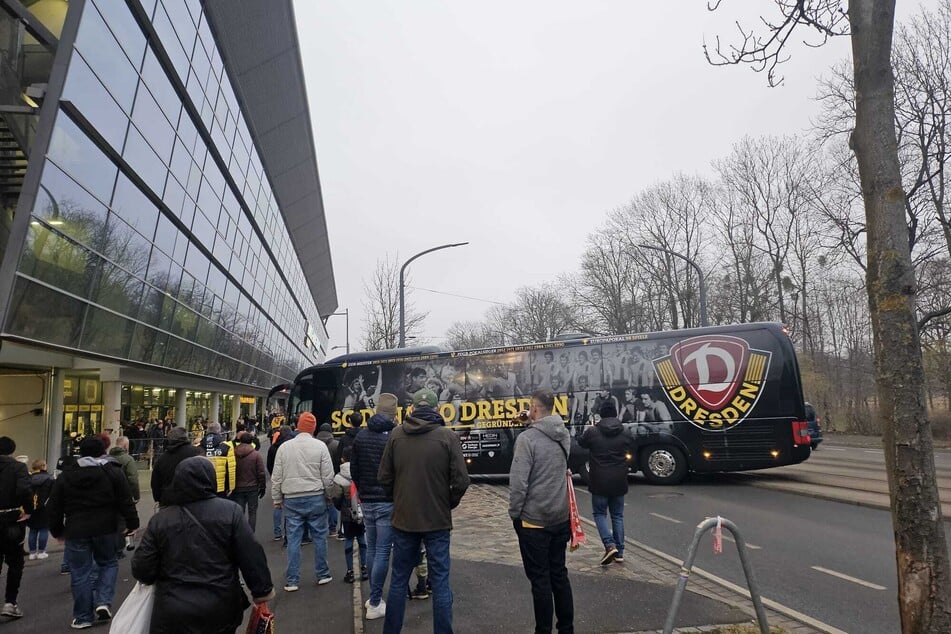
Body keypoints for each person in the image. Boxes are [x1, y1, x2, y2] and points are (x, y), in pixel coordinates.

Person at [132, 457, 274, 634]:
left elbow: (142, 568)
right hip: (220, 604)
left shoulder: (160, 520)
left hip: (172, 608)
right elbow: (251, 556)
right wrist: (262, 591)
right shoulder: (230, 512)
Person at [378, 388, 470, 634]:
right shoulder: (447, 437)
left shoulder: (396, 435)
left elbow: (384, 477)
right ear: (437, 410)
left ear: (411, 410)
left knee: (398, 580)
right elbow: (461, 480)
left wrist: (398, 499)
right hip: (437, 520)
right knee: (440, 583)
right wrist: (447, 502)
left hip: (404, 519)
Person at [48, 436, 139, 629]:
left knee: (80, 572)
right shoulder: (113, 472)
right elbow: (125, 500)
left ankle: (82, 616)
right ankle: (103, 601)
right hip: (106, 527)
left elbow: (55, 506)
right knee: (108, 563)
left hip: (76, 528)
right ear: (103, 451)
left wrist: (57, 530)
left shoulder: (67, 475)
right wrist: (132, 523)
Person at [509, 390, 574, 634]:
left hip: (534, 521)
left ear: (534, 408)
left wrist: (515, 513)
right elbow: (546, 430)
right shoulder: (563, 434)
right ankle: (566, 628)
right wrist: (533, 422)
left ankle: (543, 630)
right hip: (559, 517)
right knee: (559, 575)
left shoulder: (527, 440)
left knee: (540, 580)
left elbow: (518, 484)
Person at [271, 411, 335, 590]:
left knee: (293, 539)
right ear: (313, 428)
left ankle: (292, 580)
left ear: (298, 426)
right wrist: (329, 496)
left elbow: (277, 476)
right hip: (316, 496)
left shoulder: (284, 447)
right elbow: (328, 476)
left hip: (292, 498)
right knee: (320, 537)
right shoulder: (320, 446)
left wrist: (277, 498)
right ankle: (323, 573)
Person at [351, 392, 398, 620]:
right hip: (386, 501)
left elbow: (354, 470)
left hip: (367, 500)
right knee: (382, 550)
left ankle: (373, 597)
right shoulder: (393, 437)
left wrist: (362, 489)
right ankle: (376, 601)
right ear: (393, 414)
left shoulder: (361, 436)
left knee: (370, 548)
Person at [578, 401, 635, 565]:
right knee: (617, 515)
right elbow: (632, 444)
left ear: (601, 415)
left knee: (599, 514)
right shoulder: (625, 431)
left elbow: (581, 443)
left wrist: (591, 427)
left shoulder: (593, 432)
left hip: (599, 480)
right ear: (615, 414)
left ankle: (609, 545)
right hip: (619, 480)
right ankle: (620, 552)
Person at [0, 437, 32, 619]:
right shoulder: (18, 468)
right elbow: (24, 491)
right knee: (15, 562)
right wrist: (28, 511)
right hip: (11, 518)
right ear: (12, 450)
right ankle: (10, 602)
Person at [331, 446, 367, 583]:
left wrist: (341, 508)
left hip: (347, 514)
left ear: (342, 459)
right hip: (361, 511)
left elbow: (336, 497)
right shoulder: (361, 473)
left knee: (349, 540)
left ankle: (350, 571)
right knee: (362, 539)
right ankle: (364, 568)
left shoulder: (339, 477)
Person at [151, 426, 201, 506]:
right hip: (193, 500)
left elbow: (155, 482)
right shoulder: (197, 453)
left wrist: (159, 498)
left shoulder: (162, 459)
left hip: (168, 501)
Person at [232, 432, 266, 531]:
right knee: (252, 512)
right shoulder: (256, 454)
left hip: (237, 487)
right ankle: (251, 534)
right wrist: (262, 487)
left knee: (239, 512)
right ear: (251, 441)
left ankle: (240, 533)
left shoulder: (233, 452)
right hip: (252, 487)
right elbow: (261, 472)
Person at [266, 424, 295, 542]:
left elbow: (269, 465)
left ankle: (277, 533)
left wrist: (273, 474)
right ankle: (288, 531)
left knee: (277, 505)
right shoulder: (292, 447)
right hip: (289, 477)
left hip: (277, 477)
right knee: (289, 506)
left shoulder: (273, 447)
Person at [317, 423, 341, 535]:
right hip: (333, 477)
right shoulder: (336, 444)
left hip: (316, 478)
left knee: (318, 504)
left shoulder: (315, 444)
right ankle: (332, 528)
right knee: (331, 502)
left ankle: (319, 528)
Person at [27, 458, 53, 561]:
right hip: (44, 507)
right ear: (43, 466)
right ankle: (41, 552)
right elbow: (52, 494)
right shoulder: (49, 479)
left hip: (31, 507)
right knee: (44, 529)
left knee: (32, 530)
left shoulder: (29, 478)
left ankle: (32, 553)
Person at [203, 422, 237, 496]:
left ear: (207, 431)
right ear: (219, 431)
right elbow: (231, 469)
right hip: (220, 487)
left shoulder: (198, 446)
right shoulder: (227, 446)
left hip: (202, 486)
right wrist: (231, 487)